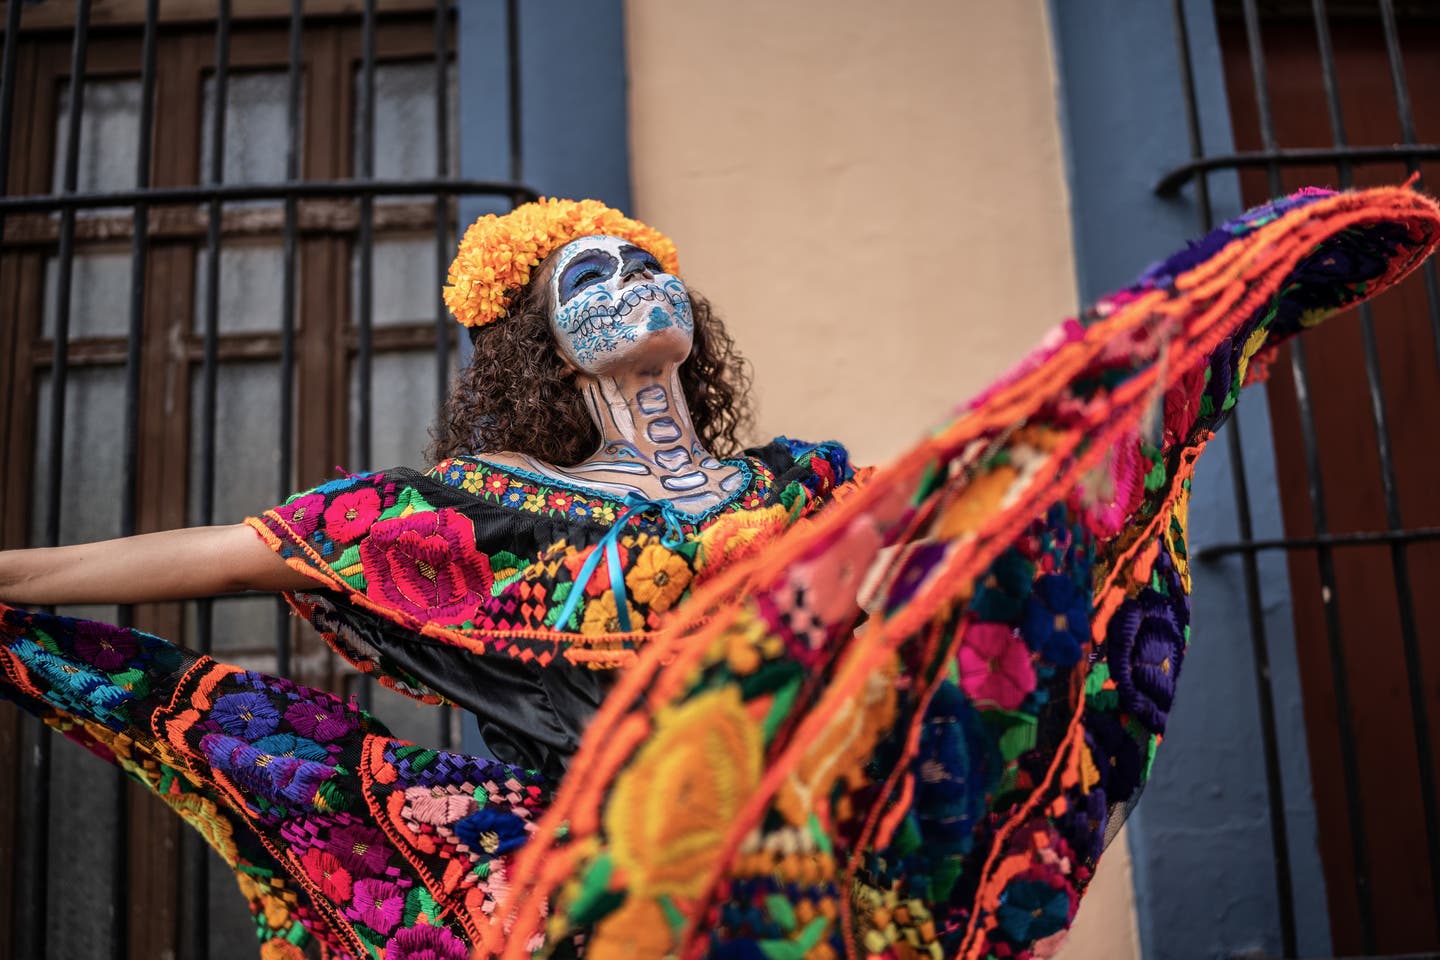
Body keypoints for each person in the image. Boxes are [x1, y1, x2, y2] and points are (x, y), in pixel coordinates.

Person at [1, 190, 1437, 960]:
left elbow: (938, 572)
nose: (633, 292)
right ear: (544, 350)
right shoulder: (487, 514)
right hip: (590, 874)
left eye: (648, 271)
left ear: (690, 311)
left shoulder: (801, 483)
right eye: (591, 285)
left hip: (813, 857)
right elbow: (239, 550)